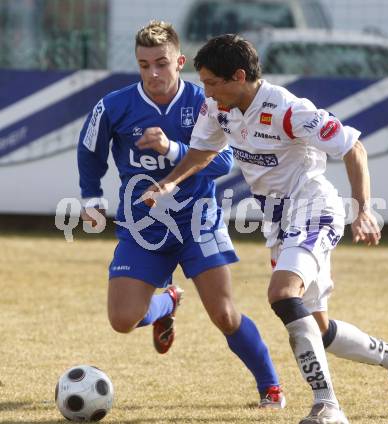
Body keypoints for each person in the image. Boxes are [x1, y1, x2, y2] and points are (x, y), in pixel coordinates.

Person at [142, 34, 388, 424]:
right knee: (318, 328)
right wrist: (170, 183)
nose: (204, 91)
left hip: (314, 209)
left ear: (238, 76)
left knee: (281, 293)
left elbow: (352, 148)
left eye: (211, 82)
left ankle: (328, 406)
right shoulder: (219, 107)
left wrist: (362, 210)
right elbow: (203, 151)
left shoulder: (287, 110)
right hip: (279, 224)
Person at [77, 22, 285, 408]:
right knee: (122, 319)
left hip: (198, 220)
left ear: (180, 61)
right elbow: (90, 150)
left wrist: (172, 148)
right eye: (143, 65)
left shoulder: (206, 103)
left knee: (224, 314)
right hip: (142, 225)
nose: (153, 73)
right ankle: (168, 302)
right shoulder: (114, 105)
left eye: (161, 63)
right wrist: (90, 197)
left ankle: (270, 386)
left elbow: (222, 161)